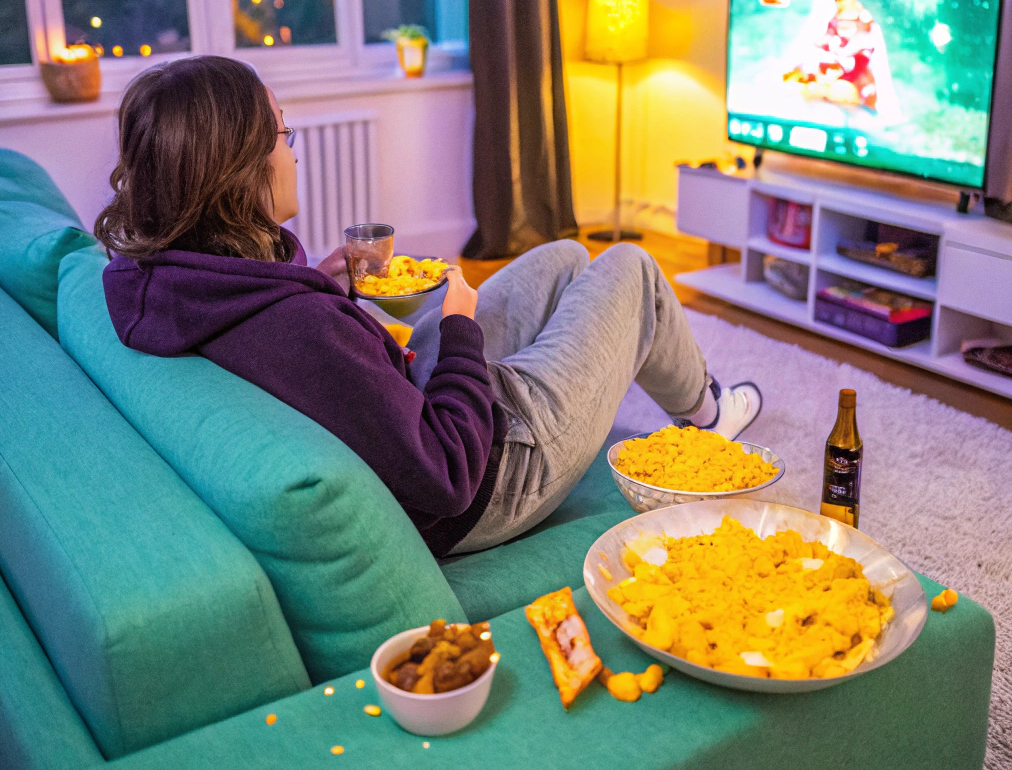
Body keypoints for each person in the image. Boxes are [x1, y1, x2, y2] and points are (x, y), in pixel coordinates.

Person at [97, 56, 761, 558]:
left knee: (561, 258)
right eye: (283, 136)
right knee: (629, 267)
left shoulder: (165, 281)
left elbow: (311, 353)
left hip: (422, 404)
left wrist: (320, 281)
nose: (291, 154)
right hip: (494, 470)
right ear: (240, 171)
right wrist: (459, 330)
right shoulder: (298, 332)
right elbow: (446, 476)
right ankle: (708, 413)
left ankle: (655, 381)